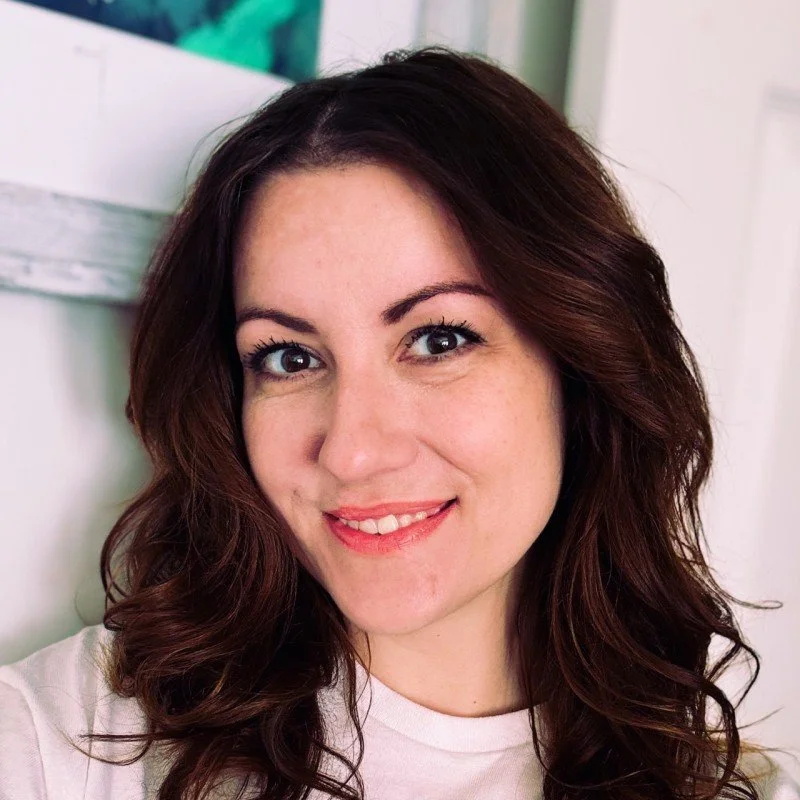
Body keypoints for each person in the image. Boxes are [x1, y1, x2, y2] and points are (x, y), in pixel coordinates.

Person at [0, 47, 797, 800]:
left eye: (438, 340)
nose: (352, 449)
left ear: (578, 369)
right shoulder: (61, 740)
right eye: (287, 358)